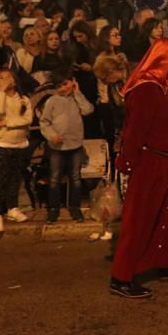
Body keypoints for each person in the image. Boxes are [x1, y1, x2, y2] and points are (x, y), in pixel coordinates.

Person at [110, 38, 168, 299]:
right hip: (151, 161)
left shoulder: (161, 89)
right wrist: (127, 162)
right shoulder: (146, 90)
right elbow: (135, 131)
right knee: (139, 219)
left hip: (167, 160)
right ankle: (122, 276)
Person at [39, 70, 94, 223]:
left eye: (65, 84)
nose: (63, 88)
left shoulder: (76, 98)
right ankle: (53, 209)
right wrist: (51, 135)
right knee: (55, 178)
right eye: (59, 86)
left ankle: (75, 208)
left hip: (75, 145)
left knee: (75, 178)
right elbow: (44, 122)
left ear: (72, 82)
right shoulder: (52, 101)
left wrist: (78, 92)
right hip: (57, 147)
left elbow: (88, 110)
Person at [0, 70, 34, 234]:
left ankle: (12, 208)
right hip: (3, 143)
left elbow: (27, 119)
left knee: (16, 178)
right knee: (2, 179)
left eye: (8, 77)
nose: (5, 80)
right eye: (1, 78)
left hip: (20, 143)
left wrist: (8, 122)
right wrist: (1, 90)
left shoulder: (24, 99)